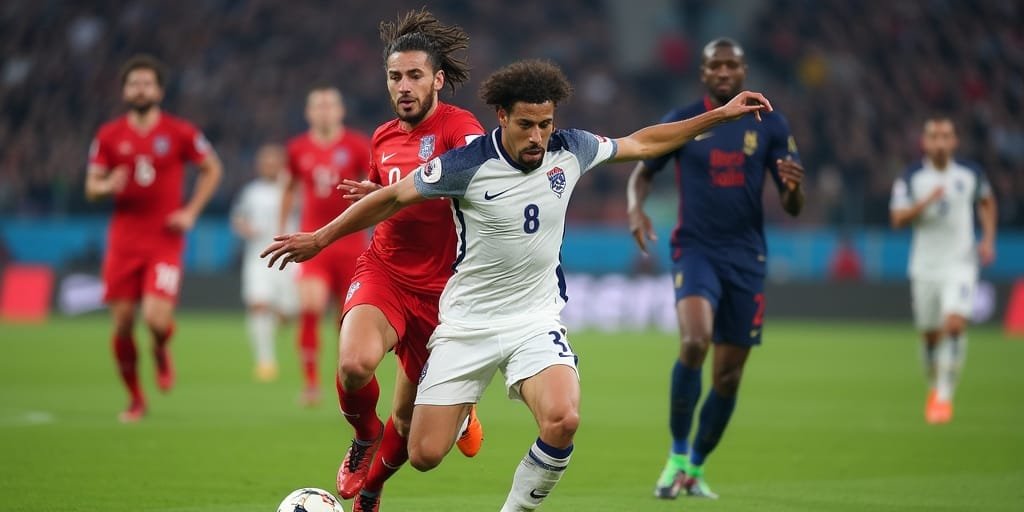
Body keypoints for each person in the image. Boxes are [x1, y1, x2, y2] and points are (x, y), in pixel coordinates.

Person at [263, 58, 771, 511]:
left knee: (563, 419)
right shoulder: (467, 164)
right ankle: (457, 413)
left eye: (545, 125)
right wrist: (321, 237)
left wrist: (719, 117)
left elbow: (642, 142)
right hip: (466, 324)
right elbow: (394, 198)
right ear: (502, 117)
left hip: (534, 320)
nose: (537, 137)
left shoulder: (572, 149)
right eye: (526, 125)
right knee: (423, 454)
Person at [626, 38, 805, 500]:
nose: (724, 72)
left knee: (728, 376)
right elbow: (643, 168)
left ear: (744, 71)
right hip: (696, 249)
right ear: (703, 73)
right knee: (694, 341)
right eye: (715, 66)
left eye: (732, 65)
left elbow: (793, 204)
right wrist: (635, 208)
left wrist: (792, 190)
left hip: (746, 257)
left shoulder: (770, 123)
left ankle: (695, 467)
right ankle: (676, 455)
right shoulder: (686, 120)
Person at [327, 10, 486, 511]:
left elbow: (479, 165)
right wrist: (378, 194)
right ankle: (363, 436)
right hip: (386, 270)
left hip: (443, 294)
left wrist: (413, 188)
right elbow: (388, 196)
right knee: (354, 365)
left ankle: (373, 489)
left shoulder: (459, 127)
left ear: (437, 80)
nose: (404, 86)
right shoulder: (382, 137)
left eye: (415, 75)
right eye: (395, 76)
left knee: (407, 423)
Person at [84, 54, 223, 422]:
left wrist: (191, 211)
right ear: (124, 91)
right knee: (123, 323)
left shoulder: (180, 132)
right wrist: (106, 186)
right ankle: (135, 398)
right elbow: (91, 187)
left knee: (156, 320)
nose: (140, 89)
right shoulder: (108, 135)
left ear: (159, 91)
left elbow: (212, 168)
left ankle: (161, 348)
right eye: (134, 84)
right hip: (123, 242)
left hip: (164, 240)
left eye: (147, 83)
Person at [889, 116, 997, 424]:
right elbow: (897, 219)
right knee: (930, 337)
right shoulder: (911, 177)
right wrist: (924, 203)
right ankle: (934, 386)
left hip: (961, 262)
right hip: (924, 266)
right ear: (924, 142)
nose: (940, 142)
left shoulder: (970, 174)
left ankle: (944, 396)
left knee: (954, 324)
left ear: (955, 141)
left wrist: (988, 239)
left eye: (946, 136)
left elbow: (987, 202)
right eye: (934, 136)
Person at [281, 86, 371, 406]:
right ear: (308, 113)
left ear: (340, 111)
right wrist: (282, 227)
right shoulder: (297, 148)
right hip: (313, 243)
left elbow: (374, 186)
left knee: (345, 319)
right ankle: (310, 383)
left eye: (329, 105)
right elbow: (289, 187)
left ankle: (345, 380)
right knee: (310, 307)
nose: (324, 111)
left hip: (351, 244)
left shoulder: (357, 145)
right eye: (318, 106)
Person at [230, 144, 299, 382]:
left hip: (289, 258)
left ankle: (278, 322)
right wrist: (245, 228)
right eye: (265, 162)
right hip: (258, 258)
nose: (269, 166)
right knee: (258, 304)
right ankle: (265, 361)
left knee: (289, 311)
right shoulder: (251, 192)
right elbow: (238, 218)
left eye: (273, 161)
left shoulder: (292, 188)